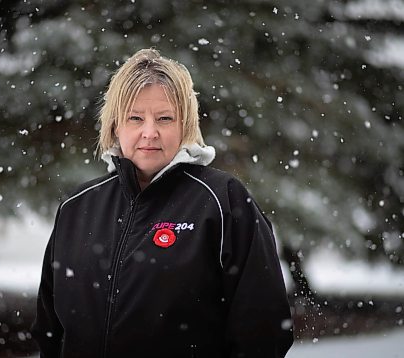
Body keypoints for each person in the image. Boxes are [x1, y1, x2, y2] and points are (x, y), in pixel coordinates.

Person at [31, 48, 294, 357]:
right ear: (116, 125)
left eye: (165, 118)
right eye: (135, 118)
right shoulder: (77, 206)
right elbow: (50, 331)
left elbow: (263, 330)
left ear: (184, 125)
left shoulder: (222, 201)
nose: (150, 132)